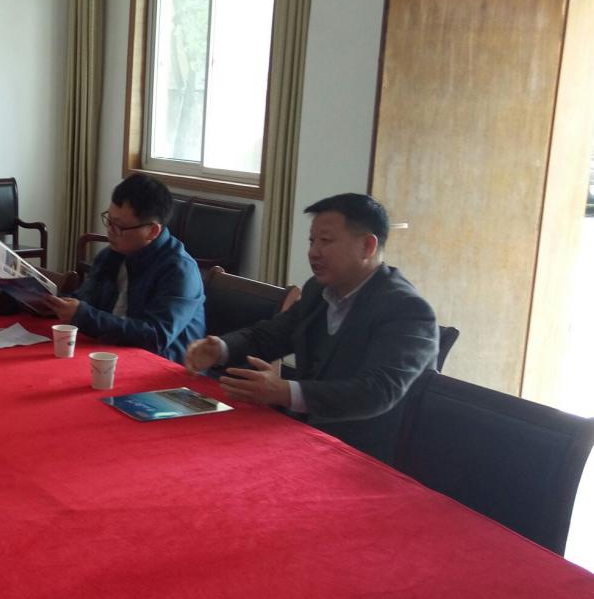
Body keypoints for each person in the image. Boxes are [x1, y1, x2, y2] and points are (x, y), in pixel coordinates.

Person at [184, 193, 437, 464]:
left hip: (362, 457)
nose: (313, 252)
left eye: (325, 241)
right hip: (304, 436)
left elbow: (376, 391)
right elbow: (270, 336)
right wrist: (220, 348)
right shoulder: (319, 290)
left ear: (367, 246)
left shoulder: (407, 310)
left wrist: (285, 392)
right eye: (312, 241)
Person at [47, 173, 204, 362]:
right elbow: (85, 300)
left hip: (164, 368)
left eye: (119, 226)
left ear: (152, 231)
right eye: (109, 220)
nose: (109, 230)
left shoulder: (179, 270)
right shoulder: (109, 255)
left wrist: (83, 316)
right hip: (111, 354)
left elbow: (155, 337)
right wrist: (49, 302)